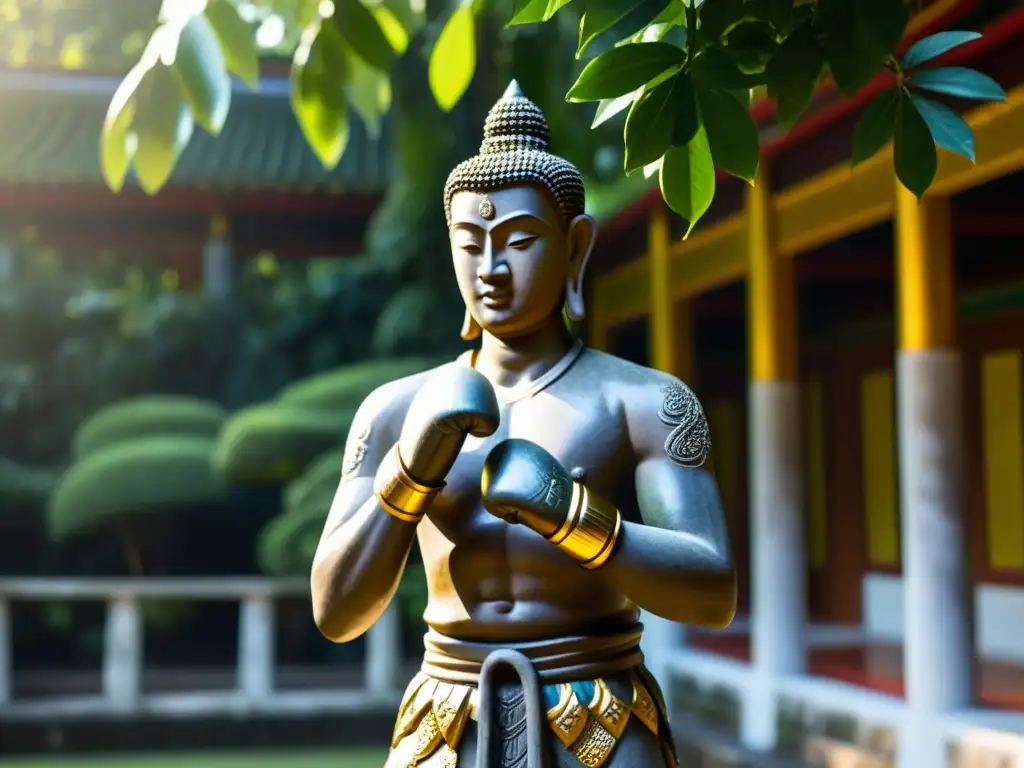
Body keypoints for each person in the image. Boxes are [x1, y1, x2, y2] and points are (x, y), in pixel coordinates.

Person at [311, 80, 736, 768]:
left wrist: (572, 516)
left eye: (518, 241)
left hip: (598, 714)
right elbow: (336, 611)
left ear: (574, 250)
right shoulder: (394, 410)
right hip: (446, 718)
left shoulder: (645, 402)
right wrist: (409, 473)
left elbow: (712, 591)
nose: (491, 270)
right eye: (470, 242)